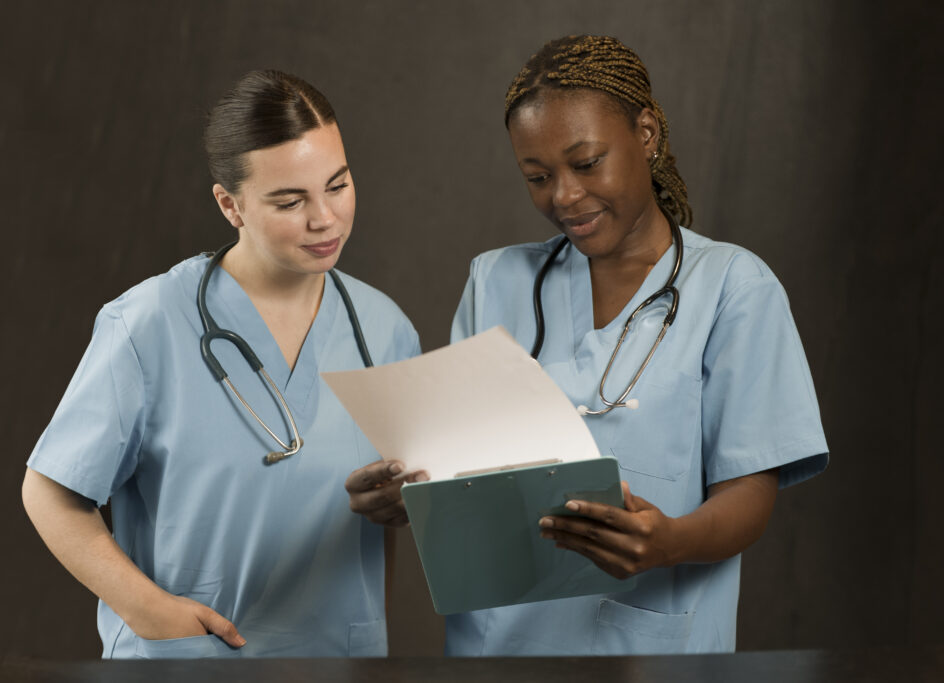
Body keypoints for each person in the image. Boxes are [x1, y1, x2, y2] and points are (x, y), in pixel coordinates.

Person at [350, 34, 828, 655]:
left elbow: (749, 494)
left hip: (646, 648)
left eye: (586, 162)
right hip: (499, 649)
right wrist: (408, 494)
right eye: (538, 177)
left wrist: (668, 542)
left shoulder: (734, 288)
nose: (564, 197)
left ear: (647, 134)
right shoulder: (495, 281)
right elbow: (460, 477)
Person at [21, 70, 420, 659]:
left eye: (337, 185)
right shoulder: (149, 322)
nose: (325, 219)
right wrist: (149, 612)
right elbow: (51, 491)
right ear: (229, 204)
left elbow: (391, 515)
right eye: (290, 200)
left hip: (336, 658)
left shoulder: (386, 330)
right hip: (189, 658)